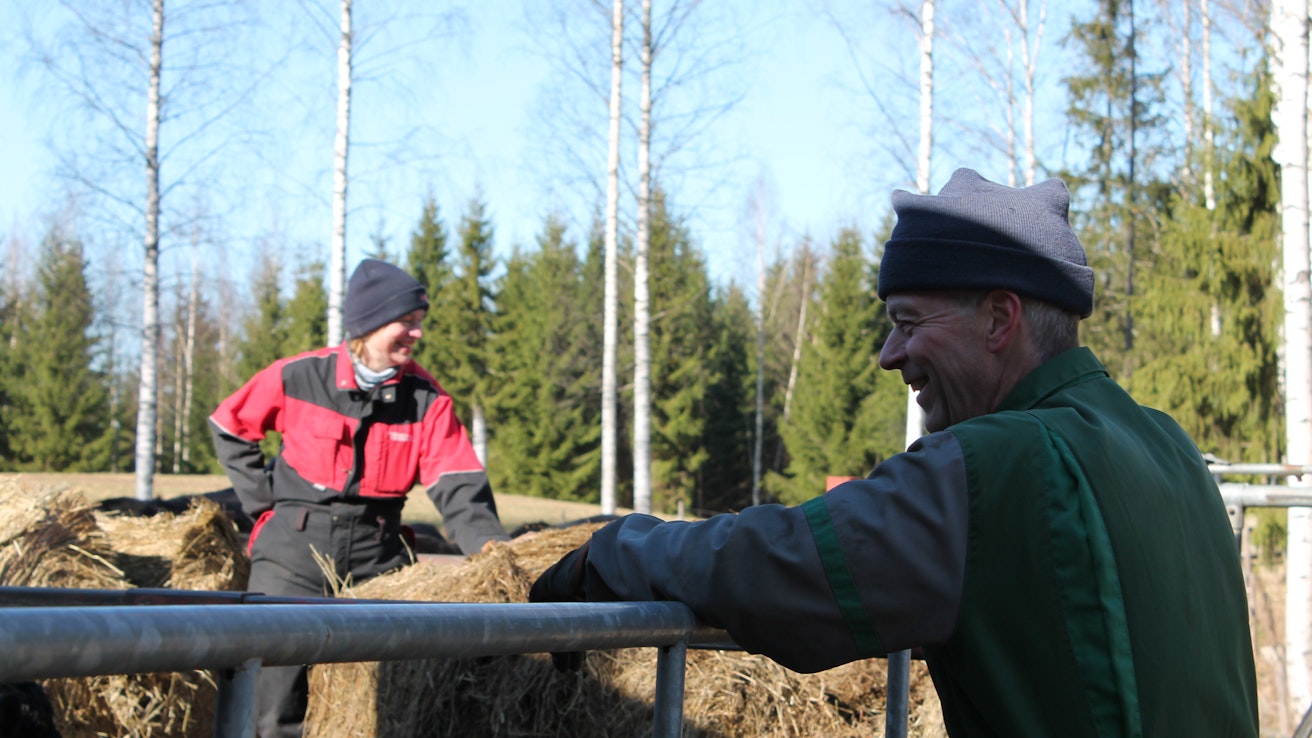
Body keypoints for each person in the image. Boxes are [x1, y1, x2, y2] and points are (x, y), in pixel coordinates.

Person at [530, 169, 1259, 737]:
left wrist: (615, 552)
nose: (889, 355)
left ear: (1000, 318)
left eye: (907, 322)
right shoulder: (1167, 446)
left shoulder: (1000, 464)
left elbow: (780, 565)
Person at [209, 257, 509, 738]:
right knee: (275, 705)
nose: (417, 334)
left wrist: (492, 550)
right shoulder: (299, 375)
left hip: (379, 556)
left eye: (419, 324)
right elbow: (230, 425)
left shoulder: (427, 398)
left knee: (382, 703)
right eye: (406, 323)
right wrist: (263, 504)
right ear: (368, 325)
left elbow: (458, 485)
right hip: (293, 555)